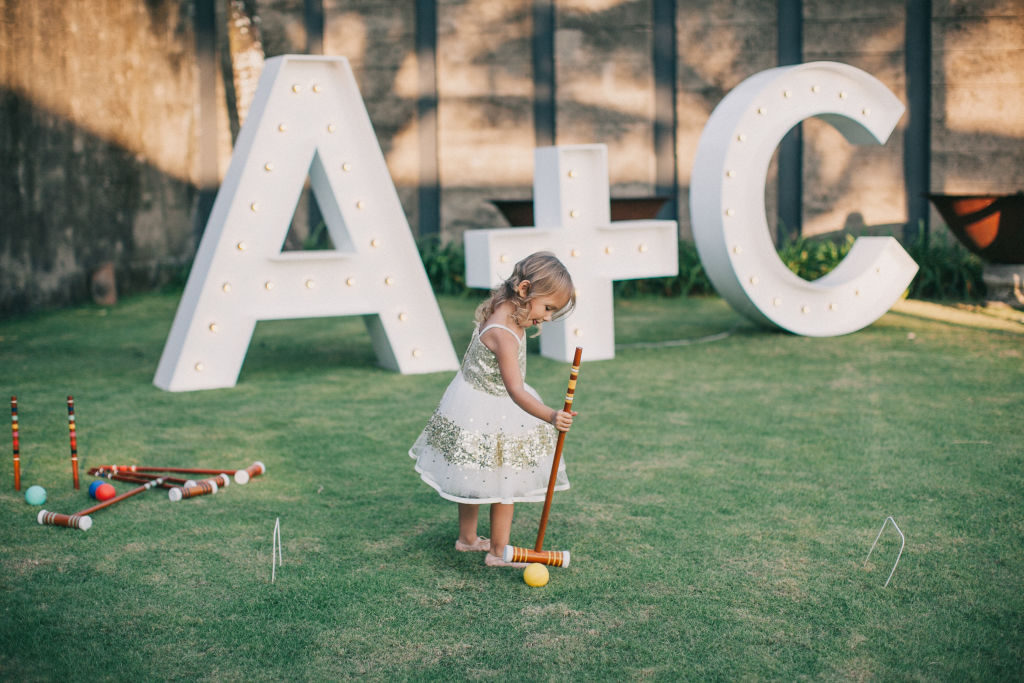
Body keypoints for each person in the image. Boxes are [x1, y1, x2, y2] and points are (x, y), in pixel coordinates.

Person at [409, 252, 578, 567]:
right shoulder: (503, 334)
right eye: (548, 308)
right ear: (524, 290)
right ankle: (498, 552)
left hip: (473, 400)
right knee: (505, 482)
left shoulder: (503, 308)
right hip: (493, 407)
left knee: (471, 475)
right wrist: (551, 416)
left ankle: (468, 539)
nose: (548, 318)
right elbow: (515, 390)